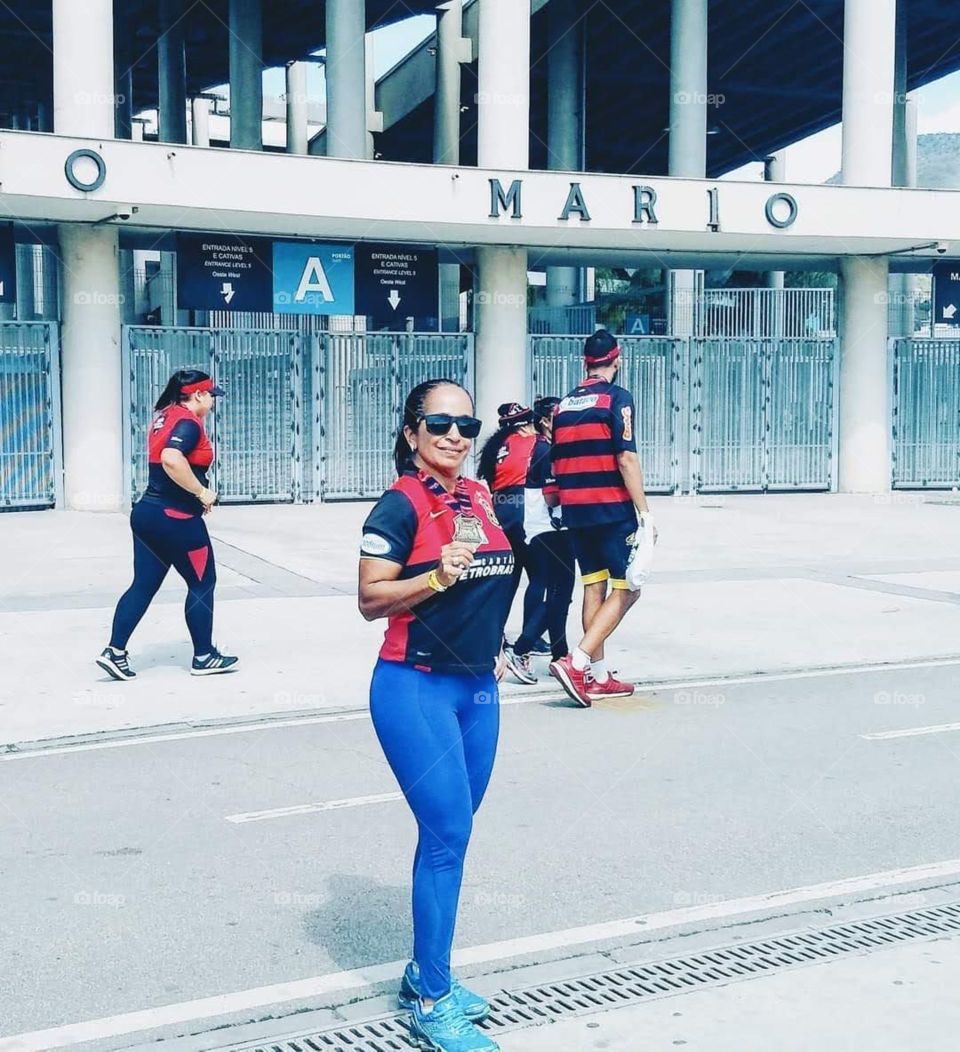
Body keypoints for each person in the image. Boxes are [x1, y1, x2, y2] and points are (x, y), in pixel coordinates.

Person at [358, 378, 513, 1052]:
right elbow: (369, 599)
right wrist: (436, 578)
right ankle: (433, 1000)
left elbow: (491, 573)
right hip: (413, 687)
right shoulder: (398, 505)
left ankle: (425, 968)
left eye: (465, 424)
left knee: (453, 833)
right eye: (439, 423)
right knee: (448, 835)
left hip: (477, 689)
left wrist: (498, 644)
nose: (455, 435)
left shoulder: (476, 494)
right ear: (412, 432)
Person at [96, 369, 239, 681]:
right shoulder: (188, 422)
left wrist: (192, 493)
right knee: (203, 582)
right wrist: (201, 491)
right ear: (198, 395)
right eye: (211, 395)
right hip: (175, 519)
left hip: (148, 513)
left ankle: (114, 651)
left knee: (143, 585)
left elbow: (169, 465)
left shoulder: (166, 416)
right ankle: (204, 656)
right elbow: (172, 459)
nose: (213, 401)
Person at [548, 330, 655, 707]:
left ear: (584, 362)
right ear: (618, 360)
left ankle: (598, 676)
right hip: (612, 509)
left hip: (577, 512)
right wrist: (644, 513)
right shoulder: (617, 398)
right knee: (629, 588)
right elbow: (626, 457)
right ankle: (577, 663)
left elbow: (556, 461)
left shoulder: (563, 406)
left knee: (594, 586)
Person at [502, 397, 575, 685]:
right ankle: (521, 649)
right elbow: (553, 496)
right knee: (560, 592)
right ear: (545, 421)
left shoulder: (542, 448)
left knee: (558, 592)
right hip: (551, 529)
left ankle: (560, 655)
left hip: (543, 528)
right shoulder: (547, 451)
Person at [477, 402, 538, 606]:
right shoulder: (532, 442)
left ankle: (496, 633)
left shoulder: (495, 449)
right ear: (523, 426)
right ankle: (531, 636)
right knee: (541, 578)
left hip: (500, 509)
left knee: (509, 577)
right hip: (524, 507)